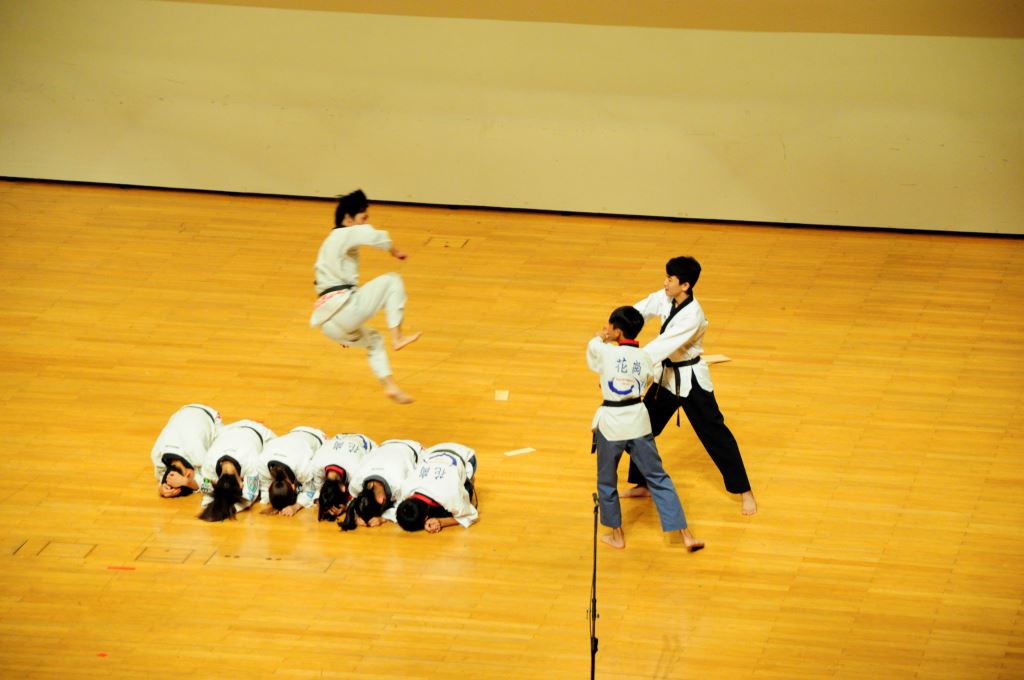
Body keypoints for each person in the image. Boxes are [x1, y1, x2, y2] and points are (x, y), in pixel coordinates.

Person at [626, 256, 757, 516]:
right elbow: (639, 311)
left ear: (684, 285)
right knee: (642, 426)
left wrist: (631, 362)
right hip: (667, 378)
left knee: (715, 435)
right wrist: (618, 325)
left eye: (670, 279)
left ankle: (745, 492)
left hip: (691, 381)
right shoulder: (665, 297)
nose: (665, 282)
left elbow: (664, 344)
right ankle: (642, 484)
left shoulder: (693, 315)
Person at [588, 306, 704, 551]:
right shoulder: (645, 357)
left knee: (607, 481)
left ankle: (617, 536)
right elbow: (648, 378)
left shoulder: (605, 351)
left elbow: (593, 346)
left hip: (611, 425)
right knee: (658, 477)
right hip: (639, 422)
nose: (606, 329)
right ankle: (686, 534)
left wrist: (602, 336)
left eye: (610, 326)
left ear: (617, 332)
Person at [309, 189, 421, 404]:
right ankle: (397, 336)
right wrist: (394, 251)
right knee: (392, 280)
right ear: (348, 218)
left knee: (375, 340)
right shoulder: (344, 232)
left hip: (329, 324)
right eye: (363, 217)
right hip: (344, 307)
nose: (365, 222)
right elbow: (374, 236)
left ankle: (390, 386)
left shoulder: (328, 248)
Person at [197, 420, 276, 522]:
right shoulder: (208, 464)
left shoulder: (251, 464)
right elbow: (205, 488)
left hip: (260, 432)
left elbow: (249, 497)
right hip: (229, 428)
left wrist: (226, 508)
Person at [393, 442, 479, 533]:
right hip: (433, 451)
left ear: (426, 518)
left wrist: (441, 522)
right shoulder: (405, 487)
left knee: (464, 495)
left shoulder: (450, 497)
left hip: (466, 455)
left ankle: (468, 479)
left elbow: (472, 516)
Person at [339, 438, 421, 530]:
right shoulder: (356, 483)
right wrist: (357, 514)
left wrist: (383, 518)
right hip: (385, 444)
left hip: (412, 447)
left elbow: (402, 507)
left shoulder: (399, 485)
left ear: (382, 501)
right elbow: (357, 500)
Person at [150, 403, 221, 498]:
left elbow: (212, 486)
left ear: (187, 474)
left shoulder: (200, 455)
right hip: (182, 410)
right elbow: (162, 475)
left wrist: (188, 482)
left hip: (212, 417)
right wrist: (161, 487)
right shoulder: (157, 455)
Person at [257, 426, 325, 517]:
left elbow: (311, 490)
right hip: (294, 430)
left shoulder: (303, 469)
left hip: (318, 437)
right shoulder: (262, 464)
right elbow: (265, 490)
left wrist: (295, 507)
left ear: (293, 487)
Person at [309, 433, 377, 522]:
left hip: (367, 444)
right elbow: (319, 488)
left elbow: (358, 495)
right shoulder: (316, 465)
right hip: (339, 437)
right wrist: (321, 500)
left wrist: (346, 506)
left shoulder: (357, 473)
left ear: (343, 488)